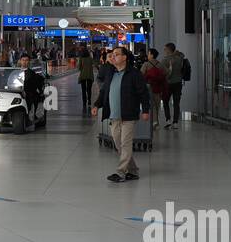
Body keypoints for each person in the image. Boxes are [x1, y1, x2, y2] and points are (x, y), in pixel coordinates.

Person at [93, 47, 150, 183]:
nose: (113, 57)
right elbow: (104, 92)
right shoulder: (111, 73)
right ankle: (133, 170)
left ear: (125, 58)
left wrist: (146, 110)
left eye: (116, 55)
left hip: (129, 115)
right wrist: (96, 104)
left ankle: (121, 172)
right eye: (112, 55)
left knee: (125, 143)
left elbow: (143, 93)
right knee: (119, 144)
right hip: (114, 116)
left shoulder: (134, 74)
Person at [161, 42, 187, 128]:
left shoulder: (164, 60)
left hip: (168, 84)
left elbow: (163, 73)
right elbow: (183, 55)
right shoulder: (179, 58)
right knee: (176, 103)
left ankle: (168, 119)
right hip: (178, 83)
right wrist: (177, 52)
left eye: (165, 49)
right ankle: (175, 122)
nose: (164, 50)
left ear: (168, 50)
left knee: (165, 101)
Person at [77, 48, 95, 117]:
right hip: (90, 75)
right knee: (89, 89)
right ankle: (89, 101)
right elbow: (93, 65)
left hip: (83, 76)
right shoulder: (90, 58)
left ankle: (84, 102)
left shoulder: (81, 59)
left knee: (83, 90)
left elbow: (79, 68)